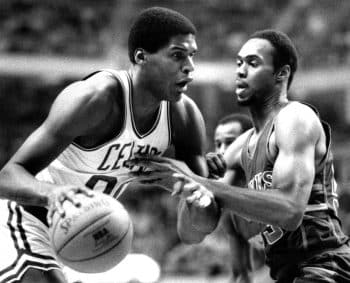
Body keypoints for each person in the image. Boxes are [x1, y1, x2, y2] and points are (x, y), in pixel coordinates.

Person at [0, 7, 219, 283]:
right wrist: (53, 194)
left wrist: (190, 187)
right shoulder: (95, 98)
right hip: (25, 221)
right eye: (177, 55)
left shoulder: (184, 118)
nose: (190, 66)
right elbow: (7, 177)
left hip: (83, 235)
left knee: (144, 273)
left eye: (192, 56)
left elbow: (194, 233)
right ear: (141, 57)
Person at [132, 29, 350, 282]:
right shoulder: (239, 147)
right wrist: (188, 188)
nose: (241, 70)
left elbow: (290, 211)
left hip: (326, 265)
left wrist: (200, 181)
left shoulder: (295, 118)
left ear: (282, 73)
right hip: (288, 274)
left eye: (253, 63)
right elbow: (195, 231)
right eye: (239, 63)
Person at [211, 113, 271, 283]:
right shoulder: (227, 204)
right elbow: (240, 274)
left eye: (230, 143)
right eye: (218, 144)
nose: (223, 151)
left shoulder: (270, 185)